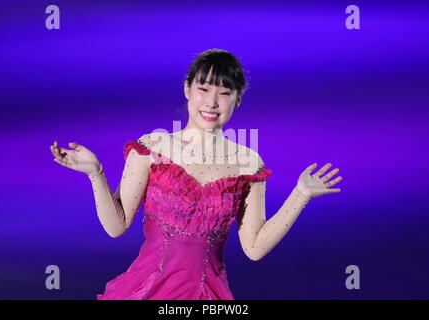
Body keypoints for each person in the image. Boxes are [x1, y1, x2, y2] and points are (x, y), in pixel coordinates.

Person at [49, 49, 343, 300]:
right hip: (146, 290)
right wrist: (96, 173)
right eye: (204, 89)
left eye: (224, 93)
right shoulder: (152, 148)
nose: (212, 102)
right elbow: (117, 226)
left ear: (238, 100)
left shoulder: (248, 164)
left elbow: (254, 248)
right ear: (188, 88)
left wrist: (300, 194)